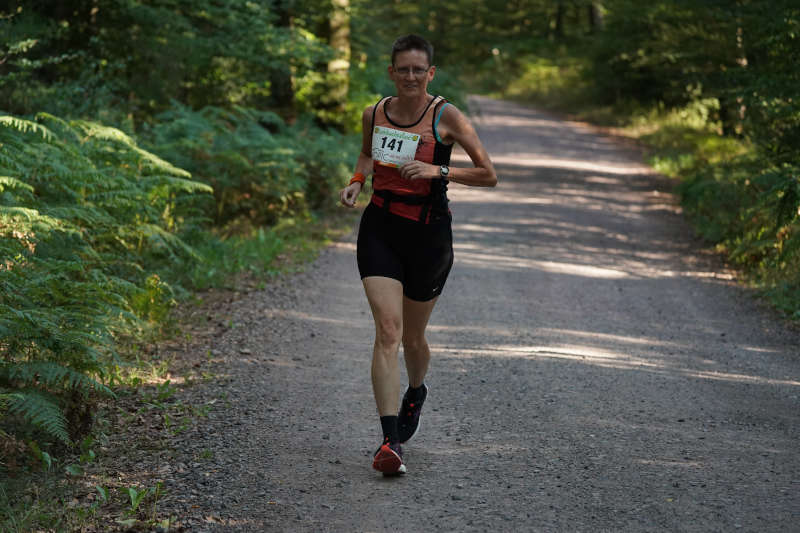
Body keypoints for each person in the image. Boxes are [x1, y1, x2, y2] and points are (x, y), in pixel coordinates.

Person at [339, 34, 497, 475]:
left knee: (412, 338)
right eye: (401, 69)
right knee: (387, 330)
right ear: (391, 72)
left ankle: (416, 389)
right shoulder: (375, 113)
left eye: (417, 70)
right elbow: (367, 156)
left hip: (429, 235)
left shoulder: (446, 116)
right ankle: (390, 442)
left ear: (430, 73)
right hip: (381, 227)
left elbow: (489, 175)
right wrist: (356, 180)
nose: (409, 76)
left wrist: (437, 169)